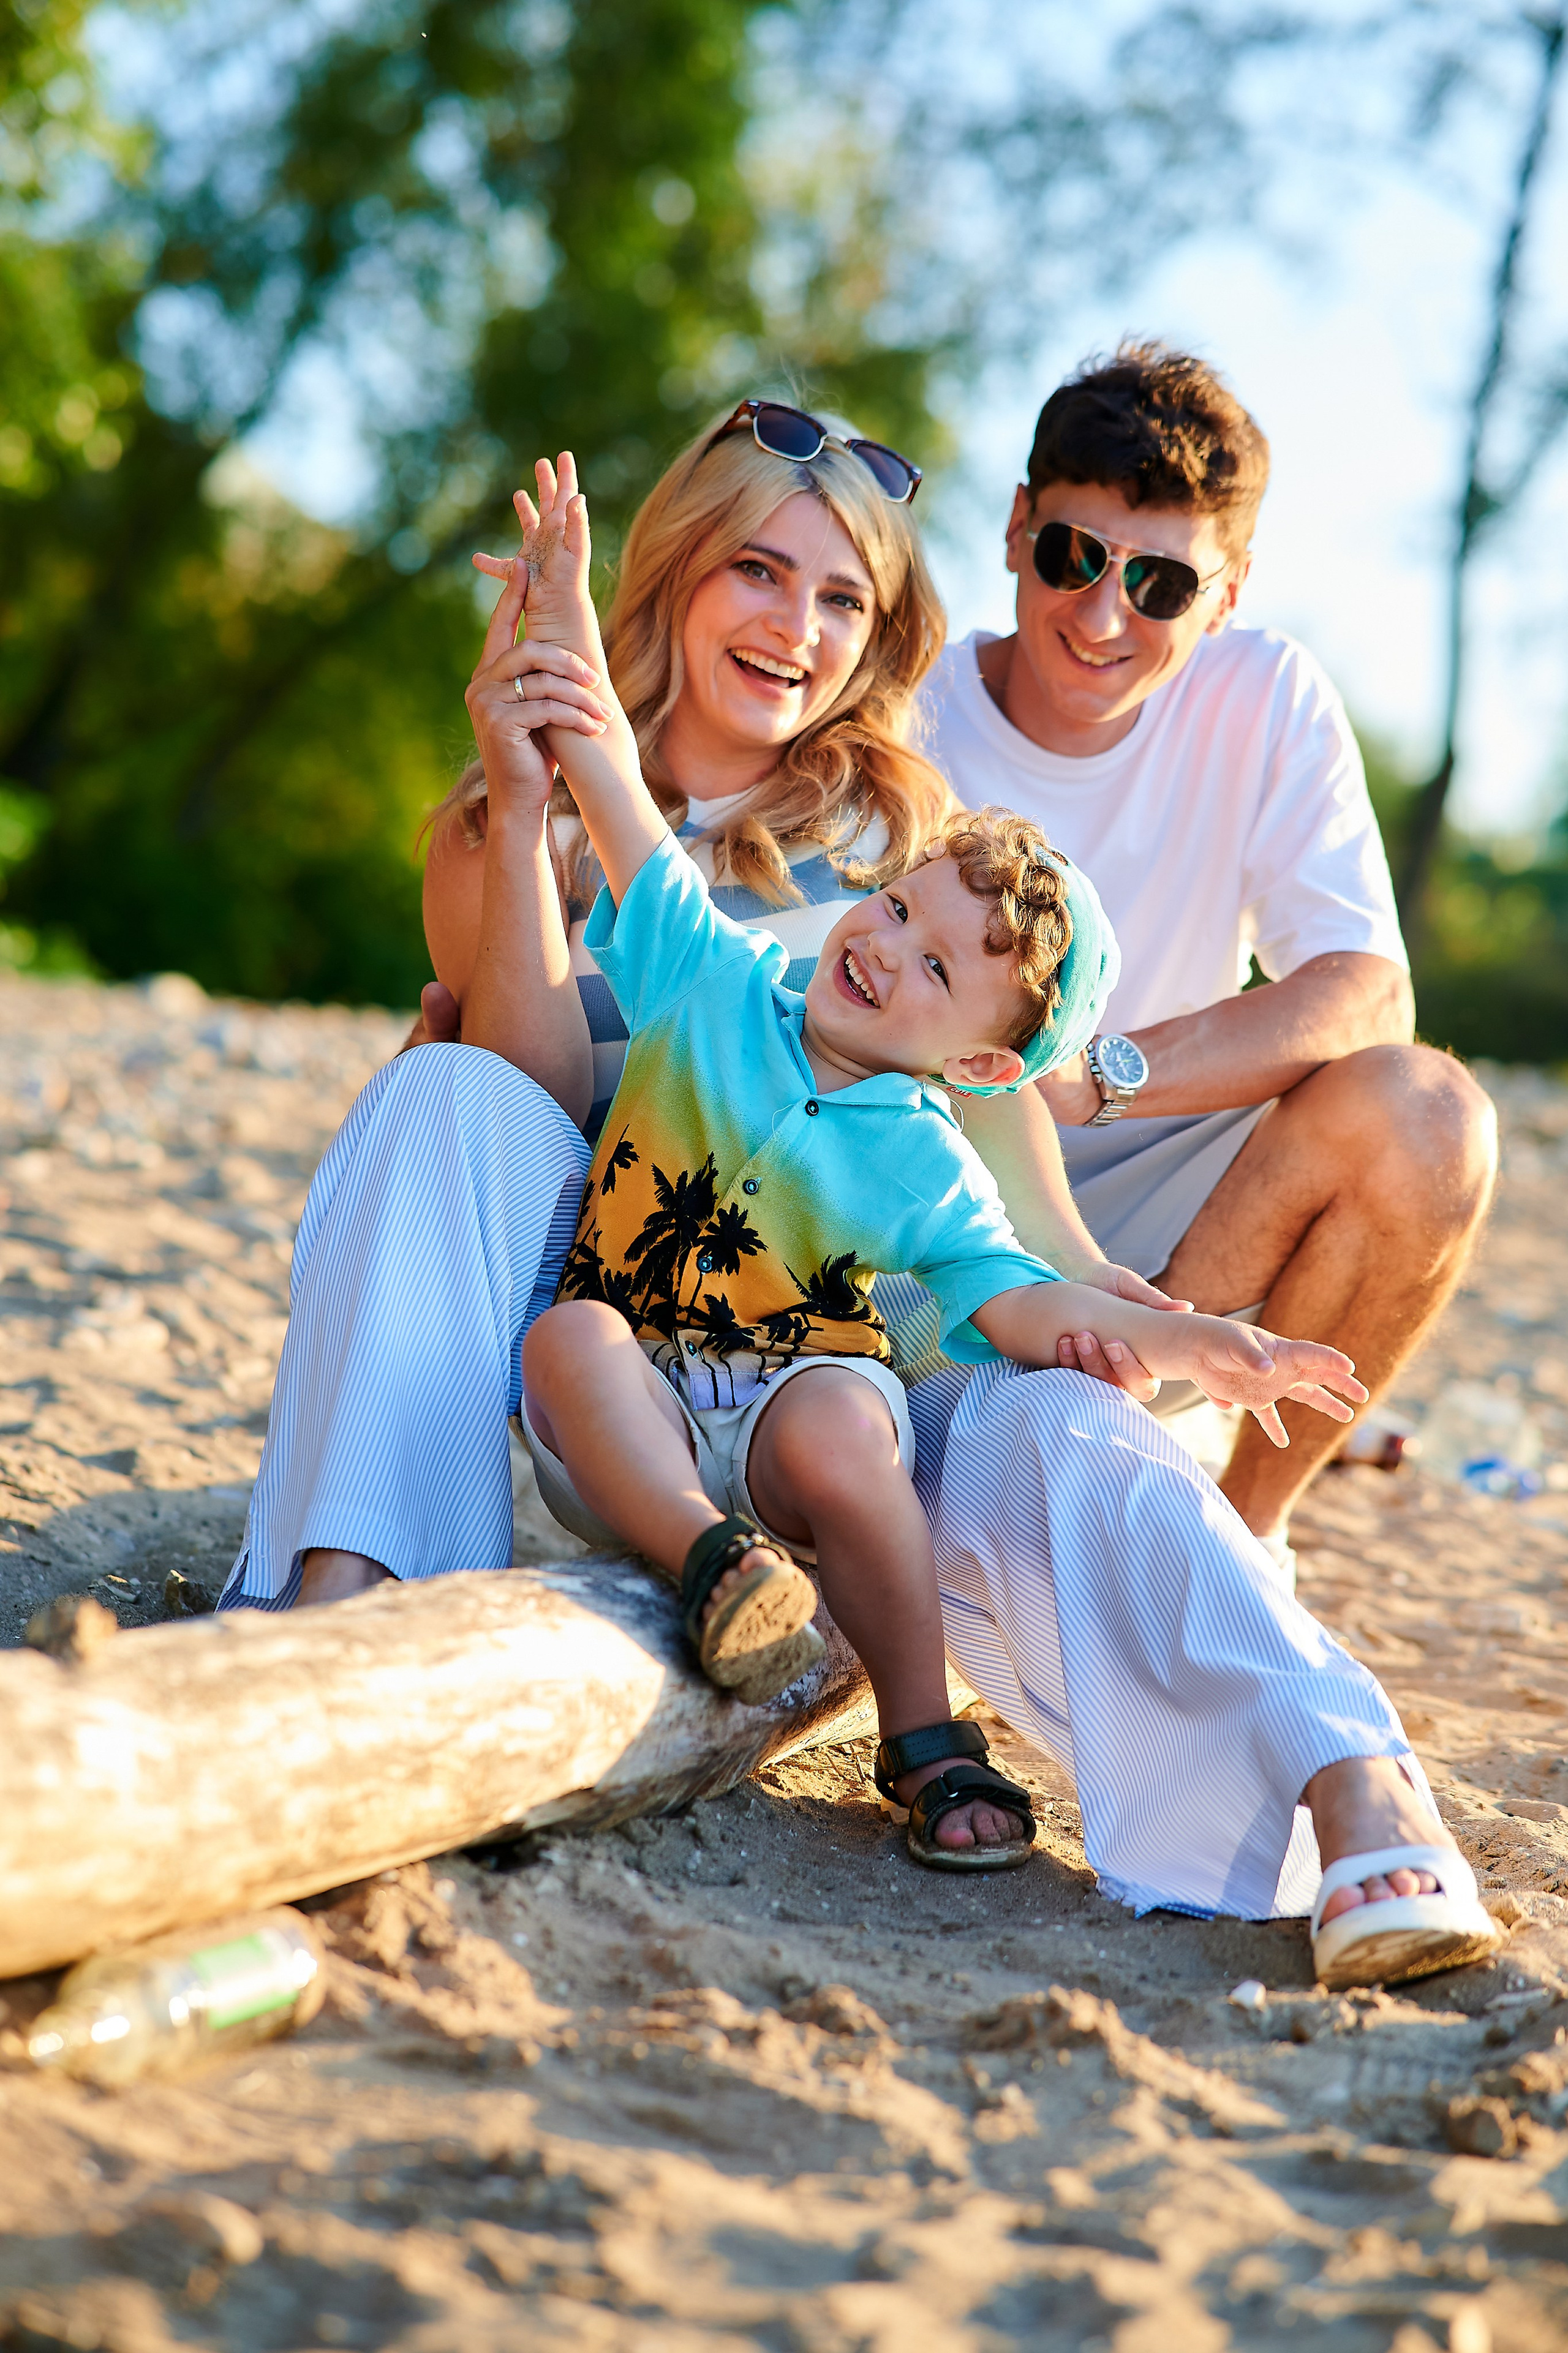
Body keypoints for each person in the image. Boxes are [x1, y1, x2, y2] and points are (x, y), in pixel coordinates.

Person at [219, 399, 1498, 1984]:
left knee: (1062, 1419)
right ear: (677, 575)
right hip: (598, 1349)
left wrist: (1132, 1323)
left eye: (843, 601)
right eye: (759, 572)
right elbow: (531, 1109)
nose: (797, 631)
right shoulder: (517, 814)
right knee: (445, 1087)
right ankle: (337, 1612)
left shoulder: (910, 842)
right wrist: (534, 794)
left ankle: (1347, 1785)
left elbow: (1012, 1188)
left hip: (839, 1376)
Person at [503, 457, 1368, 1873]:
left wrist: (1192, 1341)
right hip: (638, 1411)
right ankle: (711, 1567)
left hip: (790, 1411)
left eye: (934, 968)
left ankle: (921, 1732)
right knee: (568, 1337)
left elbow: (1015, 1296)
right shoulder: (713, 983)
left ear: (980, 1068)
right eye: (897, 909)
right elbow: (616, 792)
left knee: (855, 1419)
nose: (882, 948)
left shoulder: (925, 1162)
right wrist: (567, 630)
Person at [918, 342, 1499, 1572]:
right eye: (1072, 554)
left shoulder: (1267, 694)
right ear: (1016, 527)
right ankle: (1085, 1419)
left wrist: (1095, 1071)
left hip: (1158, 1162)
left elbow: (1366, 989)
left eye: (1160, 584)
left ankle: (1242, 1530)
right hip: (928, 1184)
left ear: (1226, 593)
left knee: (1430, 1117)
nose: (1099, 613)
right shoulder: (903, 697)